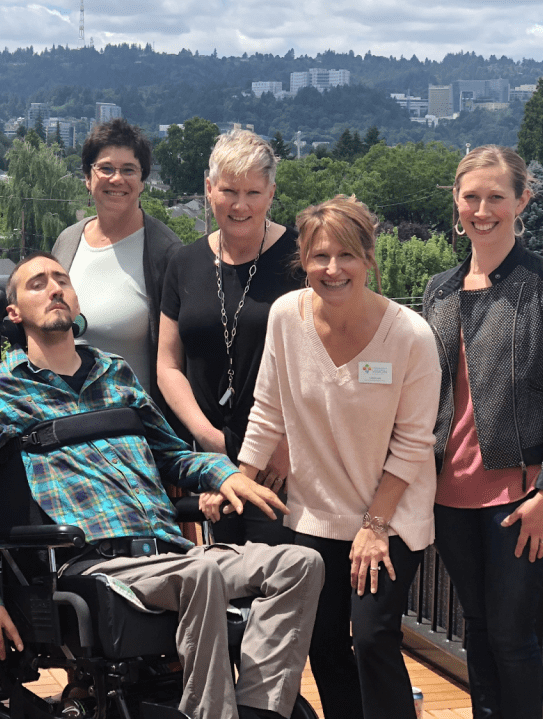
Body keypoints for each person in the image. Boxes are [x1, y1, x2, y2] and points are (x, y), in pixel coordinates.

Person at [0, 252, 324, 719]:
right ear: (14, 312)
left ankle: (259, 711)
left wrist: (226, 473)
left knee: (300, 563)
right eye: (38, 284)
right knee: (198, 576)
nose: (55, 288)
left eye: (62, 279)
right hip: (90, 564)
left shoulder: (114, 373)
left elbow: (172, 455)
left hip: (165, 555)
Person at [232, 195, 441, 719]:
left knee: (372, 639)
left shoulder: (411, 336)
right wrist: (236, 479)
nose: (332, 269)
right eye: (319, 256)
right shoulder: (286, 316)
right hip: (314, 515)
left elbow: (415, 444)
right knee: (322, 643)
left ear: (369, 258)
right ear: (302, 260)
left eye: (346, 255)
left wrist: (374, 525)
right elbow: (267, 409)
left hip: (389, 517)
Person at [422, 146, 543, 719]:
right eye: (471, 196)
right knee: (477, 628)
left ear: (523, 200)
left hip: (522, 496)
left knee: (514, 638)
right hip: (450, 494)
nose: (483, 208)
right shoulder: (438, 291)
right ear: (456, 201)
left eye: (497, 196)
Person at [157, 130, 302, 545]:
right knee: (223, 582)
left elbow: (323, 364)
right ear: (208, 189)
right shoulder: (183, 263)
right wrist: (208, 443)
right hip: (211, 458)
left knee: (277, 584)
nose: (240, 205)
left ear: (271, 193)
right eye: (229, 191)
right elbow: (168, 366)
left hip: (281, 457)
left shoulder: (300, 257)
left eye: (253, 192)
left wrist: (288, 443)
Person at [52, 117, 181, 398]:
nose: (117, 179)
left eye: (129, 170)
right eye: (106, 168)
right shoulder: (67, 241)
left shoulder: (166, 253)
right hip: (64, 418)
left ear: (143, 181)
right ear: (88, 178)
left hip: (133, 427)